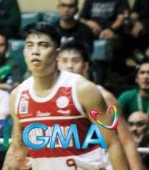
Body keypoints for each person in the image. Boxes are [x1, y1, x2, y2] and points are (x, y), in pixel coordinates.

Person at [3, 22, 129, 170]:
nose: (35, 51)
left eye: (43, 45)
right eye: (30, 45)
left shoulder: (83, 89)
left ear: (57, 54)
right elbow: (17, 147)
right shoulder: (17, 95)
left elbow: (113, 142)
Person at [57, 41, 143, 170]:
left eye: (75, 61)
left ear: (85, 66)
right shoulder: (51, 98)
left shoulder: (103, 96)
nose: (69, 66)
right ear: (57, 64)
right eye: (64, 61)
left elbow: (126, 141)